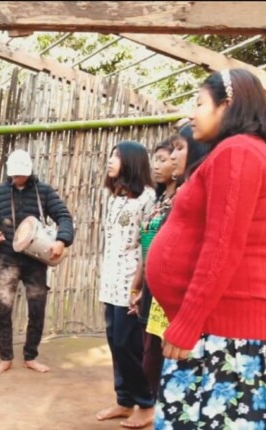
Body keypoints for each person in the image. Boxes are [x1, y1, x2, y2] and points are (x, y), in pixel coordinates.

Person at [147, 69, 266, 427]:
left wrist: (186, 324)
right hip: (220, 330)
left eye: (200, 103)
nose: (192, 114)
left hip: (223, 336)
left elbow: (222, 247)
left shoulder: (238, 152)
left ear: (227, 106)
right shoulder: (240, 151)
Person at [130, 125, 209, 421]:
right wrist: (139, 287)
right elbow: (150, 249)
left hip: (179, 300)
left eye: (177, 150)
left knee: (169, 365)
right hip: (155, 293)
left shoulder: (193, 195)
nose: (168, 159)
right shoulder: (163, 199)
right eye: (167, 153)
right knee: (152, 357)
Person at [0, 149, 74, 375]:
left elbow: (64, 217)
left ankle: (31, 356)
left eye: (22, 175)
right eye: (15, 175)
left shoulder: (44, 191)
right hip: (6, 258)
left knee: (37, 309)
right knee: (2, 308)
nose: (18, 179)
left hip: (36, 261)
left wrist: (62, 240)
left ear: (29, 172)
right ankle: (6, 357)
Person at [95, 140, 156, 427]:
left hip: (131, 282)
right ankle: (123, 400)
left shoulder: (148, 198)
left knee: (128, 344)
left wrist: (140, 286)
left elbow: (149, 245)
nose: (110, 160)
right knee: (114, 343)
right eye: (110, 155)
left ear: (131, 161)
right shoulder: (115, 197)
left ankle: (145, 403)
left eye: (117, 156)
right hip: (110, 280)